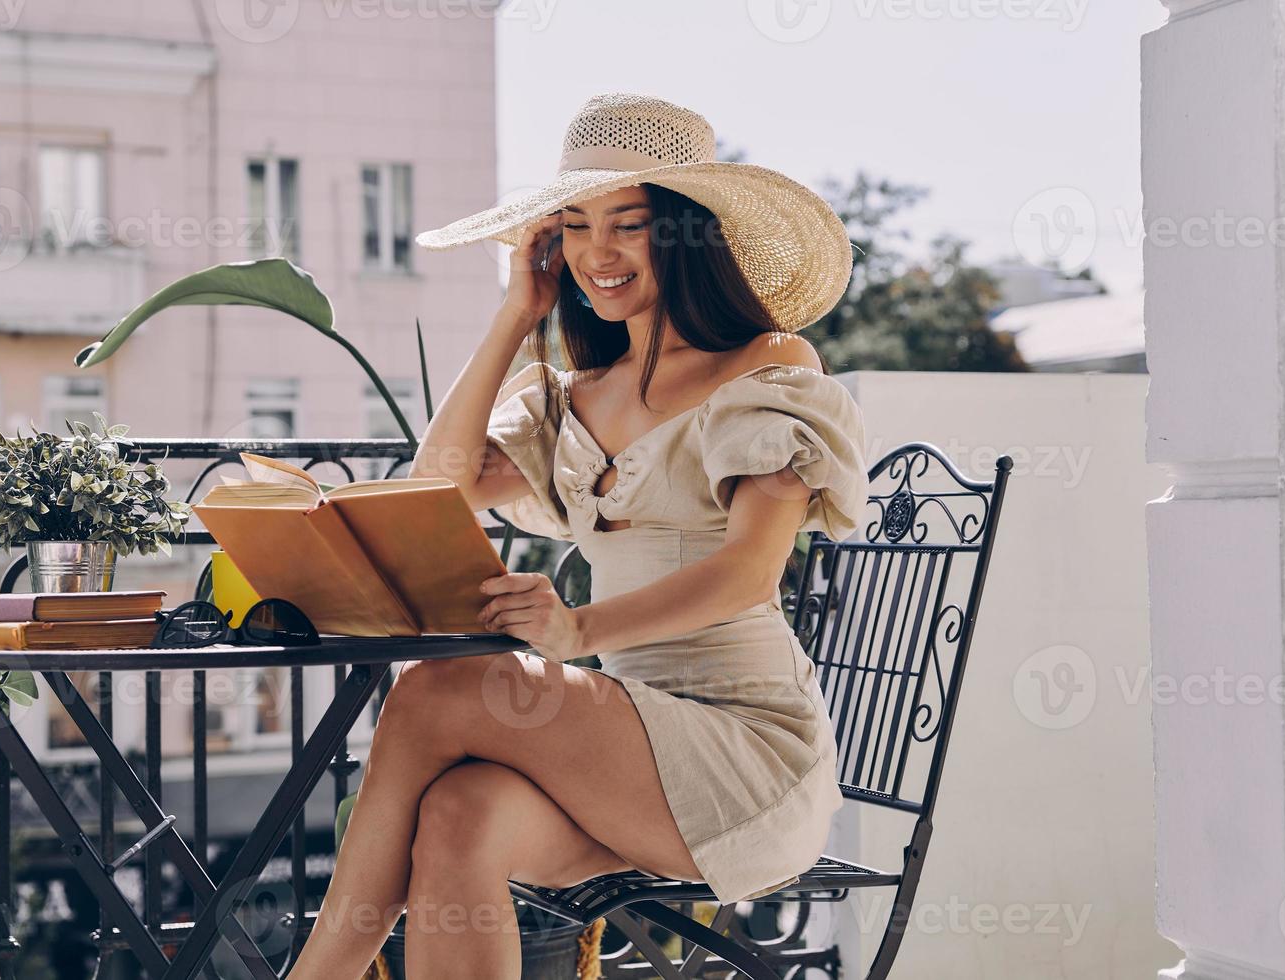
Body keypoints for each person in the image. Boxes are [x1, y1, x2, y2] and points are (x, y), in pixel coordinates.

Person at [289, 92, 869, 979]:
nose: (598, 253)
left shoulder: (766, 367)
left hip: (744, 755)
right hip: (627, 758)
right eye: (575, 225)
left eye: (628, 225)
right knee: (461, 814)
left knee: (438, 692)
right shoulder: (577, 397)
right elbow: (435, 490)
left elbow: (750, 573)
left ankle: (317, 973)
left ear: (685, 232)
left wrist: (578, 633)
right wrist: (514, 316)